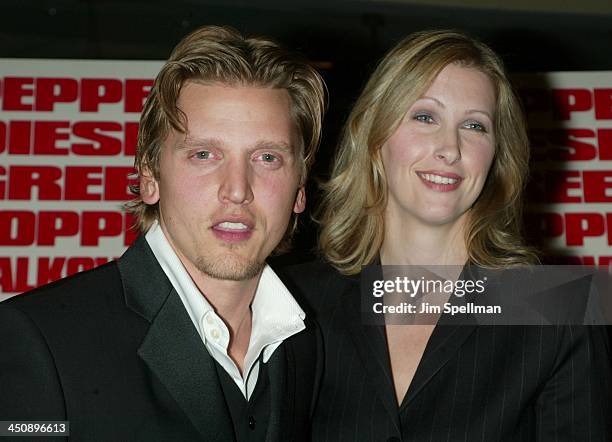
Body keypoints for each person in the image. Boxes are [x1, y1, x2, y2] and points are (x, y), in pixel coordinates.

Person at [281, 30, 611, 441]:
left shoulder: (560, 310)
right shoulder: (293, 302)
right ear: (375, 136)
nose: (450, 148)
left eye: (475, 125)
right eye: (425, 117)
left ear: (495, 156)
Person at [0, 25, 326, 441]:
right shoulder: (38, 341)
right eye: (204, 154)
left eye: (267, 157)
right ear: (150, 176)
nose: (237, 189)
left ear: (299, 188)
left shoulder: (305, 342)